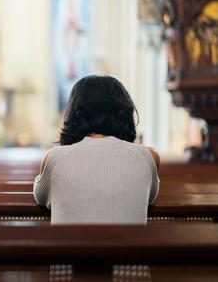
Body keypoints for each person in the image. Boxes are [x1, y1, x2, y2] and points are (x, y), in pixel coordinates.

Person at [33, 75, 160, 224]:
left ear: (74, 113)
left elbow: (40, 197)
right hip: (129, 247)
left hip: (70, 247)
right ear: (124, 113)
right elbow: (149, 197)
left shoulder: (54, 158)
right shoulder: (148, 157)